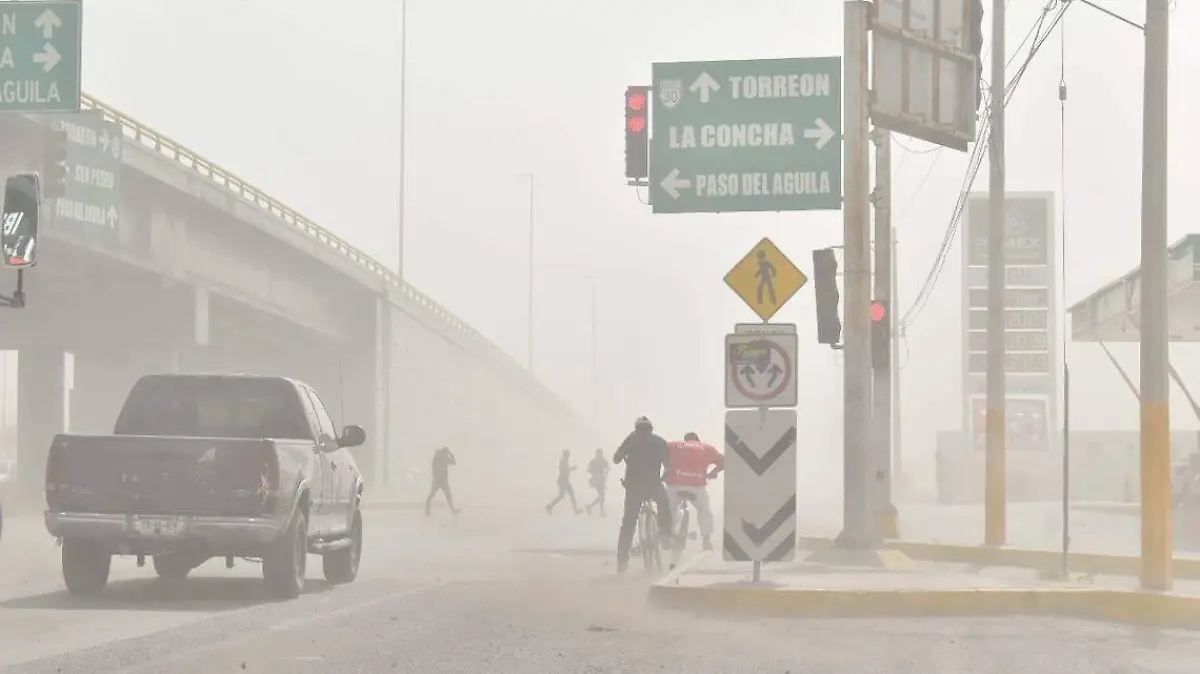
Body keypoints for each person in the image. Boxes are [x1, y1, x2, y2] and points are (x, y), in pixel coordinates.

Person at [613, 415, 673, 574]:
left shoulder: (631, 439)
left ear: (636, 428)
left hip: (634, 487)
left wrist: (623, 456)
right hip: (653, 485)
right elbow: (668, 465)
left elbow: (616, 459)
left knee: (628, 524)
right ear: (651, 429)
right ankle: (665, 534)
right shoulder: (660, 441)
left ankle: (622, 560)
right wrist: (664, 475)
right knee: (664, 504)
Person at [665, 432, 725, 551]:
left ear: (685, 441)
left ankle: (666, 537)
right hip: (696, 486)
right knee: (704, 511)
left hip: (675, 484)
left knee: (668, 510)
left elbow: (658, 454)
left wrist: (666, 470)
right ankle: (706, 541)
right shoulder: (707, 448)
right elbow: (723, 461)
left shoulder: (673, 445)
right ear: (698, 440)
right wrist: (714, 472)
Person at [426, 446, 460, 516]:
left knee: (448, 496)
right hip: (438, 480)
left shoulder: (444, 458)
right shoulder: (438, 458)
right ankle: (427, 511)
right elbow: (434, 469)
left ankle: (453, 510)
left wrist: (451, 455)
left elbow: (453, 463)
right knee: (431, 496)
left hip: (443, 481)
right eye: (446, 453)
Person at [546, 449, 582, 515]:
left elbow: (564, 470)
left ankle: (550, 506)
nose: (568, 456)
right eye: (568, 455)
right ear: (566, 455)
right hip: (563, 480)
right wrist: (572, 469)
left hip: (563, 480)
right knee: (569, 494)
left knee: (563, 495)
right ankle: (575, 509)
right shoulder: (563, 461)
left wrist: (570, 470)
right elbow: (564, 470)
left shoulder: (564, 461)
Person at [585, 449, 609, 516]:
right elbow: (589, 470)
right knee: (602, 496)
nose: (599, 455)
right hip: (596, 481)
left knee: (602, 496)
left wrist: (606, 471)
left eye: (600, 453)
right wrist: (595, 472)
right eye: (598, 453)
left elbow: (607, 468)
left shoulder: (603, 461)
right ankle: (600, 511)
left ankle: (590, 507)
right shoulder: (593, 461)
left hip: (601, 480)